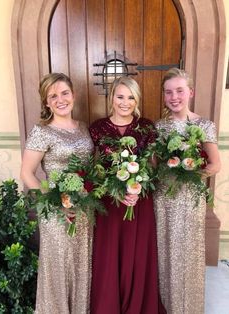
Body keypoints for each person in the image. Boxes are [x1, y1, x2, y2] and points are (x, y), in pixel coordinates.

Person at [89, 76, 166, 314]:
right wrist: (114, 190)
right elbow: (94, 169)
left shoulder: (146, 127)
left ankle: (137, 306)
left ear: (137, 100)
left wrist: (138, 188)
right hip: (109, 203)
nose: (125, 102)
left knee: (138, 255)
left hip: (138, 202)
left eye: (130, 97)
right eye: (120, 96)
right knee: (110, 255)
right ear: (111, 97)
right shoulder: (97, 128)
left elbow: (153, 167)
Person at [20, 73, 94, 314]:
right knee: (59, 266)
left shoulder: (83, 127)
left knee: (81, 265)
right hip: (56, 212)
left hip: (84, 209)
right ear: (46, 102)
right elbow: (27, 173)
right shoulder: (42, 131)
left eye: (64, 93)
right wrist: (52, 201)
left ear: (73, 95)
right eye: (53, 96)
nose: (60, 99)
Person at [153, 68, 221, 314]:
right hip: (164, 198)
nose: (174, 97)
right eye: (168, 92)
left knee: (188, 254)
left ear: (190, 92)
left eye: (179, 91)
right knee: (166, 252)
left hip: (190, 198)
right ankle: (167, 306)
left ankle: (189, 308)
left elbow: (215, 165)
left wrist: (189, 172)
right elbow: (154, 165)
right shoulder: (159, 127)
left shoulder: (204, 125)